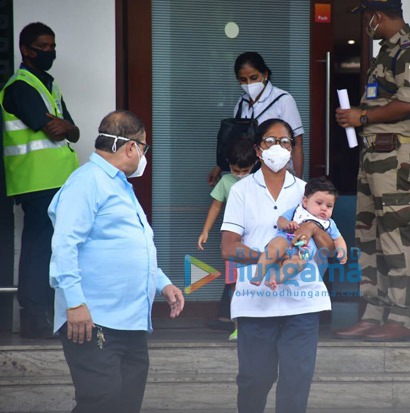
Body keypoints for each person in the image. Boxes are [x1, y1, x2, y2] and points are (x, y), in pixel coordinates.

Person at [48, 110, 185, 413]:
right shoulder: (86, 182)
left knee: (125, 404)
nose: (144, 155)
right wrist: (74, 303)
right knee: (102, 403)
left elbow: (128, 245)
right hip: (93, 319)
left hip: (129, 322)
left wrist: (162, 284)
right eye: (144, 147)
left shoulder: (120, 185)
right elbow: (65, 244)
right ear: (130, 147)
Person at [221, 118, 335, 413]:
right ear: (258, 150)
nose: (279, 148)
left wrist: (313, 228)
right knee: (254, 379)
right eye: (270, 141)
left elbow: (329, 248)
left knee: (296, 382)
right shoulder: (241, 191)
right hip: (254, 300)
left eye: (285, 142)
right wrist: (267, 256)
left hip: (303, 300)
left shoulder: (307, 192)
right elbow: (228, 247)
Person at [333, 0, 410, 342]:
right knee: (368, 232)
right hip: (374, 152)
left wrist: (362, 117)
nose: (365, 25)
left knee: (396, 233)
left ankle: (403, 318)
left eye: (366, 18)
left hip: (393, 153)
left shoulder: (408, 50)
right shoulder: (386, 51)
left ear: (378, 15)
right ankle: (374, 312)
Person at [0, 22, 80, 338]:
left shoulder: (49, 84)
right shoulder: (19, 87)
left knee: (52, 247)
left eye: (52, 46)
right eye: (42, 47)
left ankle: (46, 312)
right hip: (35, 182)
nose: (49, 52)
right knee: (37, 248)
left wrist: (66, 126)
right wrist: (63, 126)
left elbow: (72, 129)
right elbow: (49, 127)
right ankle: (34, 316)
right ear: (25, 49)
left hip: (58, 181)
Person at [208, 52, 305, 184]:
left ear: (265, 74)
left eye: (254, 77)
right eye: (243, 80)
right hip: (248, 176)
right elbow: (235, 143)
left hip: (278, 174)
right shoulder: (241, 103)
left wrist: (298, 183)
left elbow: (297, 144)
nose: (249, 84)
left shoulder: (283, 100)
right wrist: (219, 167)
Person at [198, 137, 257, 341]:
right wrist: (205, 231)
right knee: (234, 284)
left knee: (259, 280)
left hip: (256, 241)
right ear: (228, 165)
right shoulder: (225, 181)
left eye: (245, 170)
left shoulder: (259, 180)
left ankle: (258, 323)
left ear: (255, 163)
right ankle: (238, 325)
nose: (239, 175)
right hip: (233, 243)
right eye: (235, 170)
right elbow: (216, 206)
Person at [252, 176, 347, 290]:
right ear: (305, 201)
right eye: (319, 203)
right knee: (274, 247)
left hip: (302, 253)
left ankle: (274, 279)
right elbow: (280, 220)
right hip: (285, 239)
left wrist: (342, 251)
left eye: (329, 206)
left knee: (297, 264)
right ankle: (258, 275)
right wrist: (287, 224)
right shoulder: (297, 211)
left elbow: (338, 239)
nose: (324, 208)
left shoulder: (329, 223)